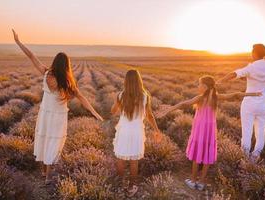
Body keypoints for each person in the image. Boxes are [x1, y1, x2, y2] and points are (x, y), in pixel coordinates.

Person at [12, 29, 103, 184]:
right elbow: (82, 99)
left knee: (44, 140)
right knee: (53, 143)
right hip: (58, 117)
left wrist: (18, 42)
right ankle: (47, 176)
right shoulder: (68, 83)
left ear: (55, 62)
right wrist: (95, 114)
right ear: (67, 65)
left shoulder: (46, 73)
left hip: (45, 114)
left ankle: (43, 172)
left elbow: (31, 56)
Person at [156, 75, 261, 190]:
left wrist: (168, 110)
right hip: (210, 131)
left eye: (199, 84)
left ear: (205, 87)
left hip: (199, 130)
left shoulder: (200, 98)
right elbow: (235, 95)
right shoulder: (216, 97)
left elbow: (183, 104)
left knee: (197, 155)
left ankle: (193, 181)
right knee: (207, 155)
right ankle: (201, 183)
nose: (198, 86)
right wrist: (253, 94)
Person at [216, 44, 265, 161]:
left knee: (246, 132)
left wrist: (220, 81)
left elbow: (234, 74)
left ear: (254, 53)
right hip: (262, 105)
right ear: (264, 53)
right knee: (260, 133)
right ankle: (255, 156)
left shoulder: (251, 68)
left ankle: (245, 158)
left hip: (249, 104)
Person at [111, 69, 162, 197]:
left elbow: (113, 111)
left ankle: (120, 185)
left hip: (124, 130)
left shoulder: (121, 95)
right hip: (137, 131)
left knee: (120, 158)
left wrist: (117, 104)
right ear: (139, 81)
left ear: (126, 81)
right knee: (134, 160)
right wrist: (156, 130)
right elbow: (150, 116)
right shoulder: (145, 96)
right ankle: (132, 186)